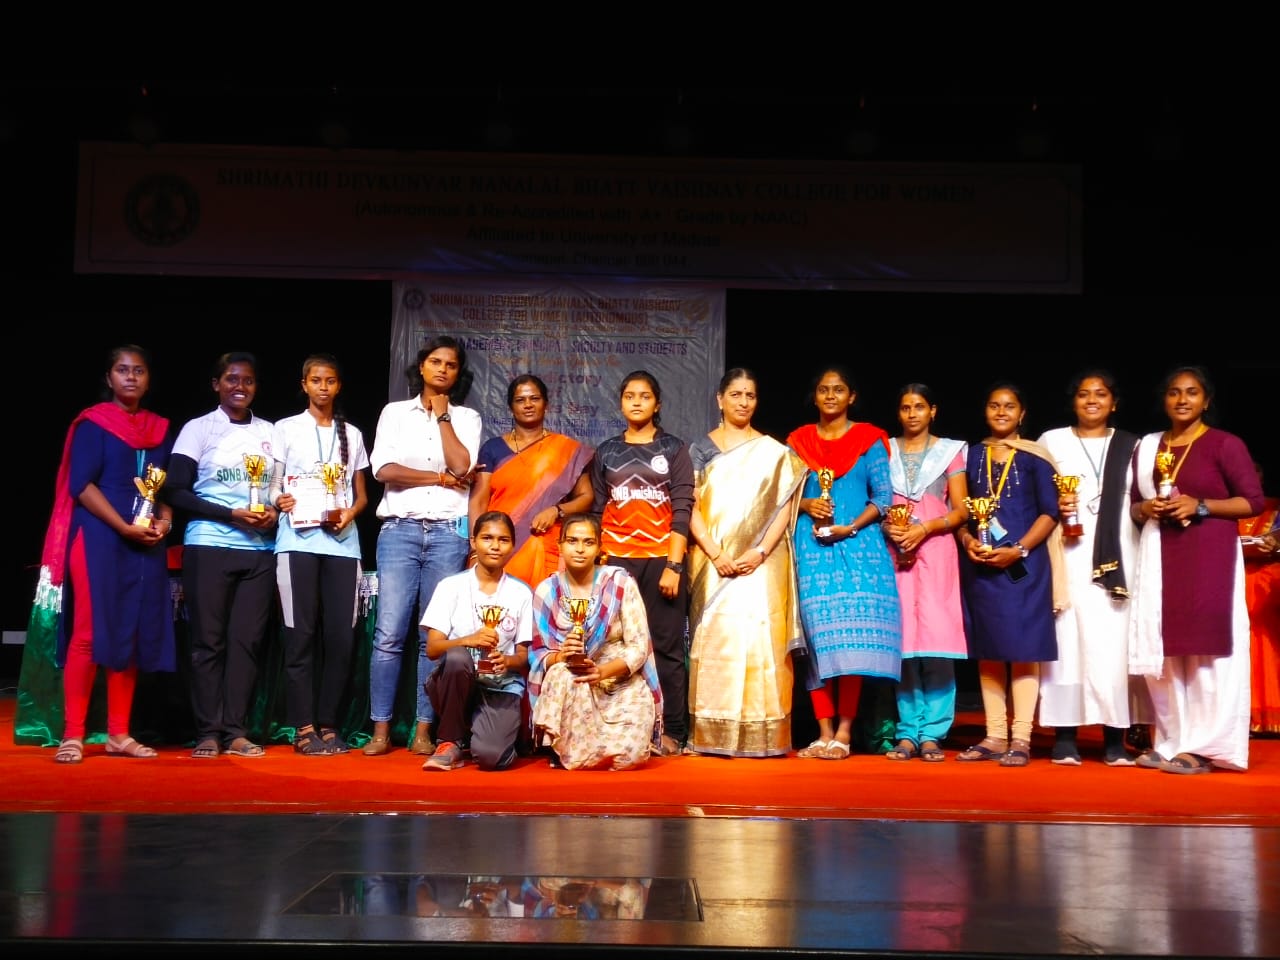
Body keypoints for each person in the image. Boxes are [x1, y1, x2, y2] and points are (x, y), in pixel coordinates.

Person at [1129, 365, 1264, 773]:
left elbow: (1252, 502)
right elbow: (1134, 506)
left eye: (1191, 392)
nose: (1182, 399)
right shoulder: (1149, 447)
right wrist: (1147, 507)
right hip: (1160, 558)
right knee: (1166, 652)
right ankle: (1171, 741)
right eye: (1174, 392)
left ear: (1206, 401)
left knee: (1207, 653)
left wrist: (1199, 505)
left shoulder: (1224, 444)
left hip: (1209, 560)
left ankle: (1207, 747)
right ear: (1164, 400)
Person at [46, 345, 175, 763]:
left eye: (139, 371)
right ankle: (73, 735)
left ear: (148, 379)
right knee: (88, 632)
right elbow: (81, 486)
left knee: (129, 633)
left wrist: (164, 522)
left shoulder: (158, 429)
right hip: (99, 536)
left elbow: (161, 489)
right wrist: (122, 526)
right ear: (109, 378)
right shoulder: (93, 424)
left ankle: (119, 734)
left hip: (144, 539)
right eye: (122, 370)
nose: (131, 377)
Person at [364, 335, 482, 757]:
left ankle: (423, 729)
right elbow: (384, 469)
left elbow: (463, 467)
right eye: (436, 361)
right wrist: (437, 478)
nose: (442, 369)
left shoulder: (466, 417)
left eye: (451, 364)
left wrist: (443, 417)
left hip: (448, 533)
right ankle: (380, 729)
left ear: (458, 373)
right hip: (400, 530)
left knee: (432, 635)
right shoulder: (395, 413)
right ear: (422, 366)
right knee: (389, 633)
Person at [685, 367, 807, 757]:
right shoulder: (700, 449)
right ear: (719, 399)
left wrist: (760, 551)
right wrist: (715, 552)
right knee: (715, 641)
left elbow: (784, 507)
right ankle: (710, 734)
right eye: (735, 394)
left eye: (750, 396)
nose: (743, 402)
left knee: (760, 639)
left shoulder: (775, 453)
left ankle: (764, 735)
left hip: (762, 564)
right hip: (712, 562)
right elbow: (688, 505)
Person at [166, 351, 279, 758]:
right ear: (216, 384)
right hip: (209, 544)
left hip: (260, 551)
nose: (239, 387)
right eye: (231, 379)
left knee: (247, 643)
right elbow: (175, 490)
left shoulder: (270, 432)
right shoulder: (198, 429)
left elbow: (280, 490)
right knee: (208, 643)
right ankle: (208, 732)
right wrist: (230, 514)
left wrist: (274, 512)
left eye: (248, 380)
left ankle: (236, 732)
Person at [786, 366, 902, 761]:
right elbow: (784, 494)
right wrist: (807, 504)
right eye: (824, 389)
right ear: (815, 396)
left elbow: (883, 498)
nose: (831, 396)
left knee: (849, 641)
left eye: (838, 390)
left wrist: (849, 526)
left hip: (858, 546)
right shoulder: (798, 442)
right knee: (815, 641)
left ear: (851, 396)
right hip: (811, 548)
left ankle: (845, 732)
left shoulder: (869, 440)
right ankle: (822, 732)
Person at [1036, 369, 1149, 766]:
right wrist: (1054, 504)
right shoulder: (1051, 441)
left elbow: (1143, 500)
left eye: (1100, 394)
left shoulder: (1133, 446)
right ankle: (1065, 736)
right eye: (1084, 394)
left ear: (1113, 403)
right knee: (1067, 642)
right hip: (1068, 553)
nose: (1092, 401)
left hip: (1119, 558)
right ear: (1074, 402)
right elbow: (1035, 493)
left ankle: (1115, 737)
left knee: (1113, 647)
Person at [956, 381, 1064, 768]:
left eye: (1009, 406)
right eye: (994, 405)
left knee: (1023, 650)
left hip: (1025, 567)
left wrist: (1019, 549)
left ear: (1022, 414)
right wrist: (967, 539)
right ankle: (994, 735)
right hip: (982, 565)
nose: (1001, 412)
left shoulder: (1035, 457)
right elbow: (960, 511)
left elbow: (1050, 513)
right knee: (988, 649)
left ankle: (1021, 737)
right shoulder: (970, 455)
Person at [269, 353, 369, 755]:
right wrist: (279, 499)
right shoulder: (285, 428)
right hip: (297, 543)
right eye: (315, 380)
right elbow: (274, 485)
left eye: (330, 381)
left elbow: (361, 496)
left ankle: (329, 724)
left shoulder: (353, 434)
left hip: (343, 546)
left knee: (341, 639)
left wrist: (350, 514)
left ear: (338, 386)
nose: (323, 387)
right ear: (304, 384)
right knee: (300, 636)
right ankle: (303, 726)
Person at [589, 370, 693, 756]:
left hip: (661, 559)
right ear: (620, 402)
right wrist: (599, 565)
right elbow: (598, 510)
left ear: (657, 403)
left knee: (665, 648)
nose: (636, 402)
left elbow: (682, 509)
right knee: (615, 648)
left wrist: (674, 566)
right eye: (629, 395)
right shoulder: (606, 451)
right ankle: (619, 727)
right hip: (617, 561)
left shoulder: (673, 449)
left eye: (645, 396)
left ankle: (673, 731)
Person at [528, 513, 663, 770]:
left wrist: (602, 672)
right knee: (559, 674)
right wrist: (562, 656)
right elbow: (537, 653)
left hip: (619, 679)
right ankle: (570, 749)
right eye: (572, 541)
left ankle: (589, 752)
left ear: (600, 548)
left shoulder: (620, 583)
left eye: (588, 542)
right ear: (560, 546)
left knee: (630, 758)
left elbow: (638, 647)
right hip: (575, 680)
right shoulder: (547, 591)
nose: (580, 549)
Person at [881, 383, 969, 763]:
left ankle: (933, 733)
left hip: (935, 549)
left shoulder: (949, 451)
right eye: (905, 407)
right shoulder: (885, 450)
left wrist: (926, 528)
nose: (912, 413)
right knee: (903, 644)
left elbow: (962, 510)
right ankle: (906, 732)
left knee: (937, 643)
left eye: (919, 406)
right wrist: (890, 528)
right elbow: (877, 501)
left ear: (933, 410)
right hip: (896, 551)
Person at [420, 511, 533, 772]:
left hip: (500, 686)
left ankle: (487, 734)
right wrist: (468, 640)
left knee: (491, 757)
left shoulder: (521, 592)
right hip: (456, 683)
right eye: (487, 538)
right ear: (473, 542)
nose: (495, 546)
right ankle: (449, 742)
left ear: (513, 546)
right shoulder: (451, 586)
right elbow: (433, 649)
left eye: (503, 540)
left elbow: (523, 656)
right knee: (457, 657)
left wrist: (506, 661)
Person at [468, 373, 594, 589]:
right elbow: (478, 501)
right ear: (511, 407)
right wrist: (475, 550)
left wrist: (556, 511)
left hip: (545, 546)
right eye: (520, 400)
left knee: (545, 605)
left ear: (546, 405)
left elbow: (586, 497)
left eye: (534, 398)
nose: (528, 405)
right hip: (499, 545)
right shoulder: (493, 448)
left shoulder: (566, 450)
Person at [1240, 461, 1280, 734]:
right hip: (1232, 576)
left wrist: (1275, 543)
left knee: (1263, 640)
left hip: (1268, 579)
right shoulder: (1223, 508)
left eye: (1255, 471)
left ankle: (1269, 713)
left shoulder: (1274, 508)